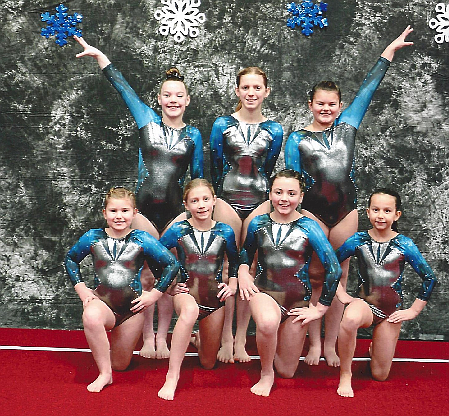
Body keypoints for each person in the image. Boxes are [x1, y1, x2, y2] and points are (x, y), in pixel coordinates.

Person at [284, 26, 414, 366]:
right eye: (320, 104)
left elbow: (368, 90)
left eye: (332, 104)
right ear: (310, 105)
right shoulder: (296, 138)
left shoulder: (348, 126)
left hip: (344, 213)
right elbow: (292, 182)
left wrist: (388, 52)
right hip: (311, 213)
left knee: (339, 278)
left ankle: (330, 344)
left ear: (340, 106)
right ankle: (313, 343)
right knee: (315, 275)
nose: (326, 109)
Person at [74, 36, 204, 360]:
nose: (172, 100)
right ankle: (147, 337)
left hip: (176, 211)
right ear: (159, 99)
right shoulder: (147, 120)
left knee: (168, 275)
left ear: (187, 100)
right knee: (145, 274)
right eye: (167, 95)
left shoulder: (194, 135)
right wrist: (101, 56)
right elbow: (123, 89)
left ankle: (163, 335)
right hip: (144, 209)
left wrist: (195, 212)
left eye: (179, 96)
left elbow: (198, 177)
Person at [64, 187, 179, 393]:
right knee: (91, 316)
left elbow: (171, 264)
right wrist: (81, 287)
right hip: (103, 304)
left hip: (132, 310)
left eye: (125, 211)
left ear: (134, 213)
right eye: (113, 211)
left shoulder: (142, 239)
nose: (119, 216)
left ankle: (113, 364)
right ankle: (104, 374)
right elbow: (71, 259)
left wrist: (155, 293)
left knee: (121, 364)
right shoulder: (93, 237)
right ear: (104, 213)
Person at [238, 169, 342, 397]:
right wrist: (244, 271)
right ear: (270, 194)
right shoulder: (258, 223)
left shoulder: (309, 226)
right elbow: (245, 254)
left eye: (291, 193)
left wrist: (320, 308)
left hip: (297, 302)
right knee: (267, 322)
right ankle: (266, 373)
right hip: (265, 293)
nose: (284, 198)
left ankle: (272, 347)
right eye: (278, 192)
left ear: (301, 197)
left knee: (287, 371)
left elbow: (334, 268)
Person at [210, 66, 284, 363]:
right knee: (228, 268)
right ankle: (225, 336)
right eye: (246, 88)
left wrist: (265, 200)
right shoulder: (222, 124)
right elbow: (215, 165)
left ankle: (242, 336)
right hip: (226, 198)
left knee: (250, 268)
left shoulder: (274, 129)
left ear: (267, 91)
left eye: (257, 88)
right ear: (237, 91)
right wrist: (216, 200)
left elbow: (267, 168)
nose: (251, 93)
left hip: (259, 200)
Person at [335, 188, 437, 397]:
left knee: (380, 375)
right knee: (350, 319)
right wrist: (341, 293)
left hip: (390, 314)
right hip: (364, 305)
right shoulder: (358, 240)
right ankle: (346, 374)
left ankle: (376, 349)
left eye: (387, 211)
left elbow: (429, 278)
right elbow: (332, 265)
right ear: (368, 212)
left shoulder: (404, 244)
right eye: (376, 210)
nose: (380, 215)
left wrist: (413, 311)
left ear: (396, 214)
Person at [157, 178, 239, 400]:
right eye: (195, 200)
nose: (201, 205)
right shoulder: (178, 230)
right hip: (186, 294)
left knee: (208, 363)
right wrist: (170, 286)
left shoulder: (226, 232)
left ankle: (196, 338)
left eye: (205, 199)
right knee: (190, 312)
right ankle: (172, 376)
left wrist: (232, 283)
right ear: (186, 205)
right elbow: (156, 257)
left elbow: (235, 262)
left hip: (214, 300)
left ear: (214, 201)